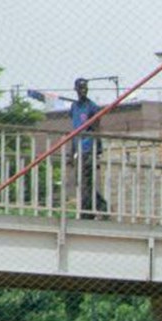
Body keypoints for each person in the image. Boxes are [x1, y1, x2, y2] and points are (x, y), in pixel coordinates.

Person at [67, 79, 106, 218]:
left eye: (85, 88)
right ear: (76, 89)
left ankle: (87, 212)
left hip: (89, 149)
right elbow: (74, 131)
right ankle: (99, 206)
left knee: (85, 182)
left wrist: (98, 152)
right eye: (81, 88)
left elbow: (97, 130)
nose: (84, 90)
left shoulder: (92, 107)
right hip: (79, 148)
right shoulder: (74, 107)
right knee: (82, 182)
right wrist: (71, 154)